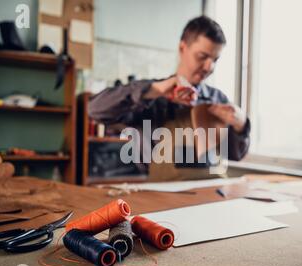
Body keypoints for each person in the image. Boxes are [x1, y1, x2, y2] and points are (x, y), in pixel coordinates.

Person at [89, 16, 250, 181]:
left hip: (210, 192)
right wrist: (154, 90)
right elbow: (95, 110)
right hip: (163, 194)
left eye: (215, 60)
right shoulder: (153, 97)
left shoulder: (218, 99)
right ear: (182, 48)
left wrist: (241, 125)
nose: (210, 67)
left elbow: (235, 155)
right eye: (202, 56)